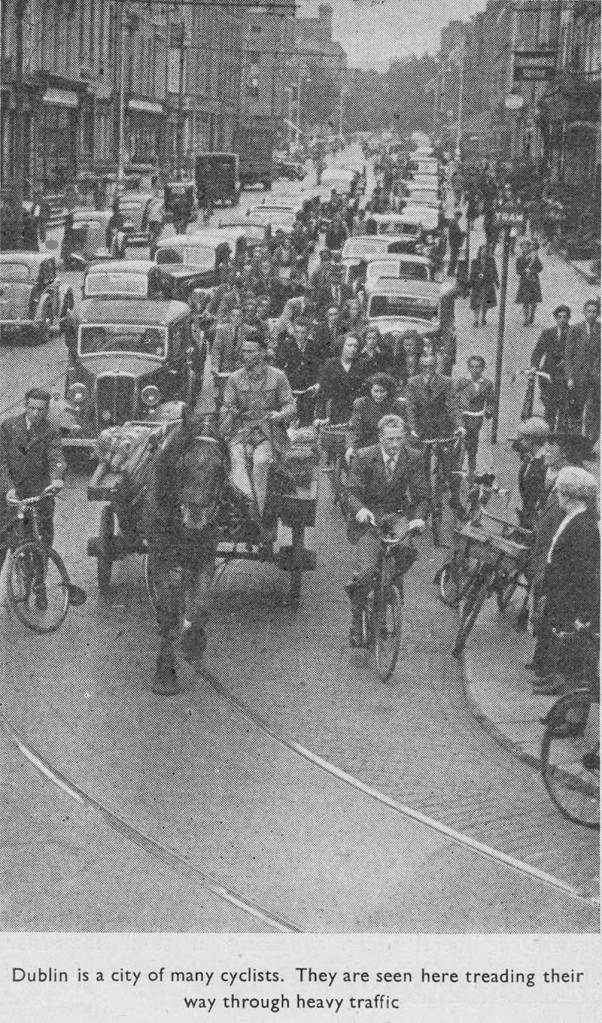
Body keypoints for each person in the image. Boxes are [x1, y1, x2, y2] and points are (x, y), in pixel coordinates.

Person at [344, 414, 429, 646]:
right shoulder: (363, 457)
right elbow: (351, 492)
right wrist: (360, 509)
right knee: (366, 572)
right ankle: (356, 618)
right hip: (369, 520)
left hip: (396, 516)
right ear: (380, 438)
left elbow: (422, 496)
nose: (394, 445)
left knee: (404, 553)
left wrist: (418, 519)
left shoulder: (414, 457)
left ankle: (386, 596)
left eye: (399, 439)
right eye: (390, 439)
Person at [526, 432, 592, 691]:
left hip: (561, 577)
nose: (546, 451)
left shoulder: (579, 516)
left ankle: (551, 671)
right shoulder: (559, 481)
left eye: (551, 446)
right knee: (546, 612)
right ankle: (543, 664)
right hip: (547, 561)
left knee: (555, 619)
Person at [219, 335, 296, 538]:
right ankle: (245, 508)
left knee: (261, 462)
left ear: (262, 352)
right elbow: (226, 406)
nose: (246, 355)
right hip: (242, 432)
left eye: (251, 351)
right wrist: (230, 413)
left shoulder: (277, 376)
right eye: (244, 351)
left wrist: (279, 415)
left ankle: (257, 515)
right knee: (236, 459)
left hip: (269, 433)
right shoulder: (235, 378)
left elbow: (290, 405)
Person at [533, 466, 599, 696]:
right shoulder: (574, 517)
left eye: (560, 492)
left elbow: (581, 566)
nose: (558, 497)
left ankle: (563, 681)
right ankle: (557, 675)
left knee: (566, 633)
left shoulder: (583, 525)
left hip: (569, 590)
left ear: (568, 496)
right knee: (557, 629)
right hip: (559, 585)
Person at [0, 389, 66, 605]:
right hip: (11, 494)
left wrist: (56, 478)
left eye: (41, 409)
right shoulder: (9, 427)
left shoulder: (51, 430)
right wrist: (8, 488)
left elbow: (56, 456)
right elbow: (1, 462)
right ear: (25, 406)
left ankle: (39, 586)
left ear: (47, 410)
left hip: (39, 493)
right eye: (32, 408)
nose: (36, 413)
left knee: (41, 540)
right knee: (3, 538)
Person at [405, 354, 465, 512]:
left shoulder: (446, 382)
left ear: (436, 365)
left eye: (431, 366)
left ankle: (455, 499)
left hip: (442, 429)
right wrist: (412, 428)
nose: (428, 370)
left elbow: (453, 406)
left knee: (451, 466)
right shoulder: (413, 383)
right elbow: (410, 407)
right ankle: (418, 500)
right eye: (424, 366)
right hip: (422, 430)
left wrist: (459, 425)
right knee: (418, 465)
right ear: (420, 366)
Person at [345, 373, 407, 464]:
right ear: (370, 390)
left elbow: (403, 429)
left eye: (382, 391)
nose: (378, 395)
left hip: (390, 445)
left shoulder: (396, 405)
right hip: (367, 445)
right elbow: (355, 428)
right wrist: (351, 447)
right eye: (375, 391)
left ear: (388, 391)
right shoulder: (361, 404)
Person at [564, 298, 601, 441]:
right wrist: (570, 377)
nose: (591, 314)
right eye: (589, 311)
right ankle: (575, 442)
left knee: (593, 412)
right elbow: (568, 355)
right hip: (578, 378)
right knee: (576, 411)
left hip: (595, 379)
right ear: (584, 312)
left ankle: (589, 443)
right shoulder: (575, 329)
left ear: (598, 314)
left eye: (594, 312)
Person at [454, 355, 495, 481]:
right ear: (468, 367)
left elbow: (491, 401)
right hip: (463, 416)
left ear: (483, 368)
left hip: (477, 419)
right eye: (472, 366)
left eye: (478, 367)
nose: (475, 370)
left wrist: (489, 410)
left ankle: (471, 473)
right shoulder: (462, 382)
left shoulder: (487, 384)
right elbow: (453, 398)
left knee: (473, 447)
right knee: (459, 446)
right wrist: (456, 412)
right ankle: (455, 473)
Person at [530, 304, 571, 428]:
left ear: (568, 318)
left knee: (564, 405)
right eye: (559, 317)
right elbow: (538, 351)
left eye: (565, 317)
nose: (562, 320)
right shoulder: (548, 333)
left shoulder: (573, 333)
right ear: (555, 318)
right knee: (549, 405)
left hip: (564, 375)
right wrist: (534, 366)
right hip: (548, 374)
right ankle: (549, 430)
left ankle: (560, 433)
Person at [315, 334, 366, 426]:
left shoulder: (362, 365)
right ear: (342, 346)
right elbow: (322, 392)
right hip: (335, 410)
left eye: (355, 346)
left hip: (355, 411)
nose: (353, 349)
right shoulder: (330, 364)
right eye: (349, 345)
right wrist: (319, 417)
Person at [515, 416, 550, 529]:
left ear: (532, 439)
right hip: (526, 512)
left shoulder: (543, 463)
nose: (520, 441)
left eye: (524, 438)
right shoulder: (529, 458)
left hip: (534, 518)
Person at [212, 305, 255, 374]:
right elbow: (216, 349)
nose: (236, 318)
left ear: (243, 317)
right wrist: (215, 366)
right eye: (233, 316)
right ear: (230, 317)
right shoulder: (222, 330)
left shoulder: (250, 331)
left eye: (239, 316)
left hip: (242, 369)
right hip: (224, 369)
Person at [469, 244, 499, 327]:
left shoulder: (491, 261)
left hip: (487, 284)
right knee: (476, 302)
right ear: (480, 251)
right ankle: (476, 320)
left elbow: (495, 272)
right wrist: (471, 283)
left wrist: (497, 282)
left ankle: (483, 317)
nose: (484, 252)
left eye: (486, 251)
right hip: (477, 285)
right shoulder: (475, 261)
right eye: (483, 250)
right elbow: (472, 273)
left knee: (486, 302)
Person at [515, 239, 543, 326]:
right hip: (524, 281)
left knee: (533, 300)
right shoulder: (519, 258)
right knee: (525, 300)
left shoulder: (534, 257)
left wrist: (532, 271)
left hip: (534, 280)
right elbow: (518, 270)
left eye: (526, 247)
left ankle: (532, 314)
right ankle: (526, 319)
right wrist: (524, 271)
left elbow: (540, 268)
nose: (524, 249)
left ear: (529, 247)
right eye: (523, 247)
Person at [447, 210, 465, 277]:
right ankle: (450, 272)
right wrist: (462, 234)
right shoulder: (453, 222)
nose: (459, 218)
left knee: (454, 258)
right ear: (456, 216)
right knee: (453, 258)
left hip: (454, 243)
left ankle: (451, 271)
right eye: (459, 217)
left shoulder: (454, 222)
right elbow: (454, 233)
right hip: (454, 243)